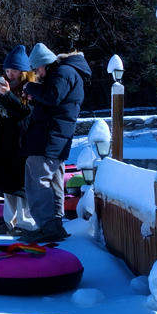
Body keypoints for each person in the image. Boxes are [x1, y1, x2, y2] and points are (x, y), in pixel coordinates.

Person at [20, 43, 92, 242]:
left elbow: (53, 97)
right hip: (56, 137)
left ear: (44, 63)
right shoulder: (69, 72)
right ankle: (54, 225)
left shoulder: (63, 72)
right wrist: (36, 97)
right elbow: (55, 102)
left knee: (38, 181)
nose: (37, 73)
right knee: (54, 182)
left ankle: (47, 226)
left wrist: (31, 87)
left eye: (37, 69)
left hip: (47, 137)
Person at [0, 45, 37, 236]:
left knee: (20, 185)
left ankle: (25, 223)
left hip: (21, 143)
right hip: (4, 143)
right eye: (7, 71)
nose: (10, 75)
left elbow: (26, 113)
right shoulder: (7, 89)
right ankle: (9, 221)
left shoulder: (30, 89)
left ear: (23, 71)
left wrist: (7, 95)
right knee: (7, 184)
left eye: (13, 71)